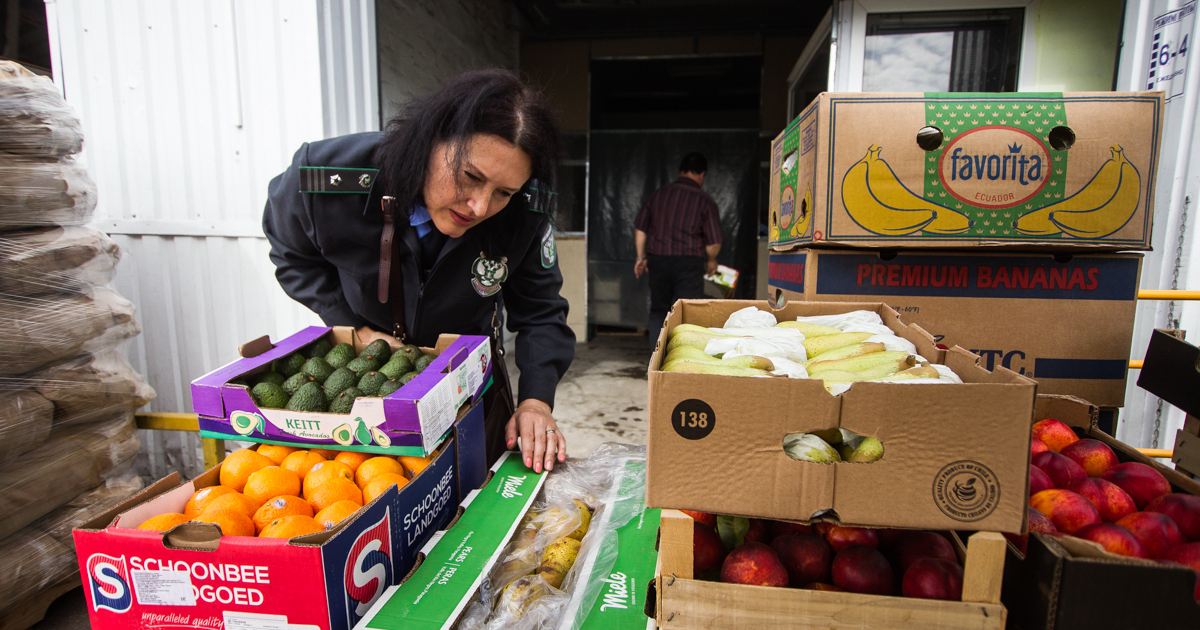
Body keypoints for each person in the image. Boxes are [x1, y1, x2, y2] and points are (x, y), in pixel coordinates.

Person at [262, 69, 574, 473]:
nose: (479, 207)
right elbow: (292, 255)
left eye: (503, 193)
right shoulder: (323, 179)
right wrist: (352, 327)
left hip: (466, 388)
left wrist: (536, 400)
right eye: (469, 177)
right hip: (361, 384)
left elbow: (542, 311)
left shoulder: (526, 212)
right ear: (429, 140)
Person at [633, 152, 723, 346]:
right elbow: (713, 242)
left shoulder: (657, 195)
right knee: (688, 311)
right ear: (702, 175)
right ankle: (682, 363)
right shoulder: (705, 201)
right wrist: (712, 259)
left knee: (659, 311)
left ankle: (655, 363)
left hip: (658, 260)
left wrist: (641, 258)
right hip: (689, 263)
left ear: (681, 171)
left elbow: (640, 229)